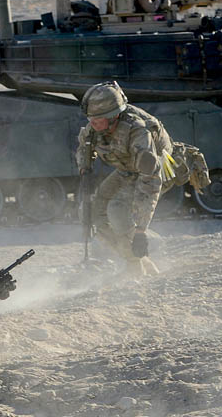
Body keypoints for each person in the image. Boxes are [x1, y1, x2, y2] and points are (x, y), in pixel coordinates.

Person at [76, 82, 208, 276]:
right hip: (128, 169)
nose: (91, 123)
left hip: (157, 169)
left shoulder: (138, 132)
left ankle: (135, 263)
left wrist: (140, 231)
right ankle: (136, 259)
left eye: (96, 119)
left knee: (117, 209)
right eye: (90, 118)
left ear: (114, 116)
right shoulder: (95, 127)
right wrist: (84, 167)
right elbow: (83, 146)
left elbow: (150, 181)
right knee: (90, 210)